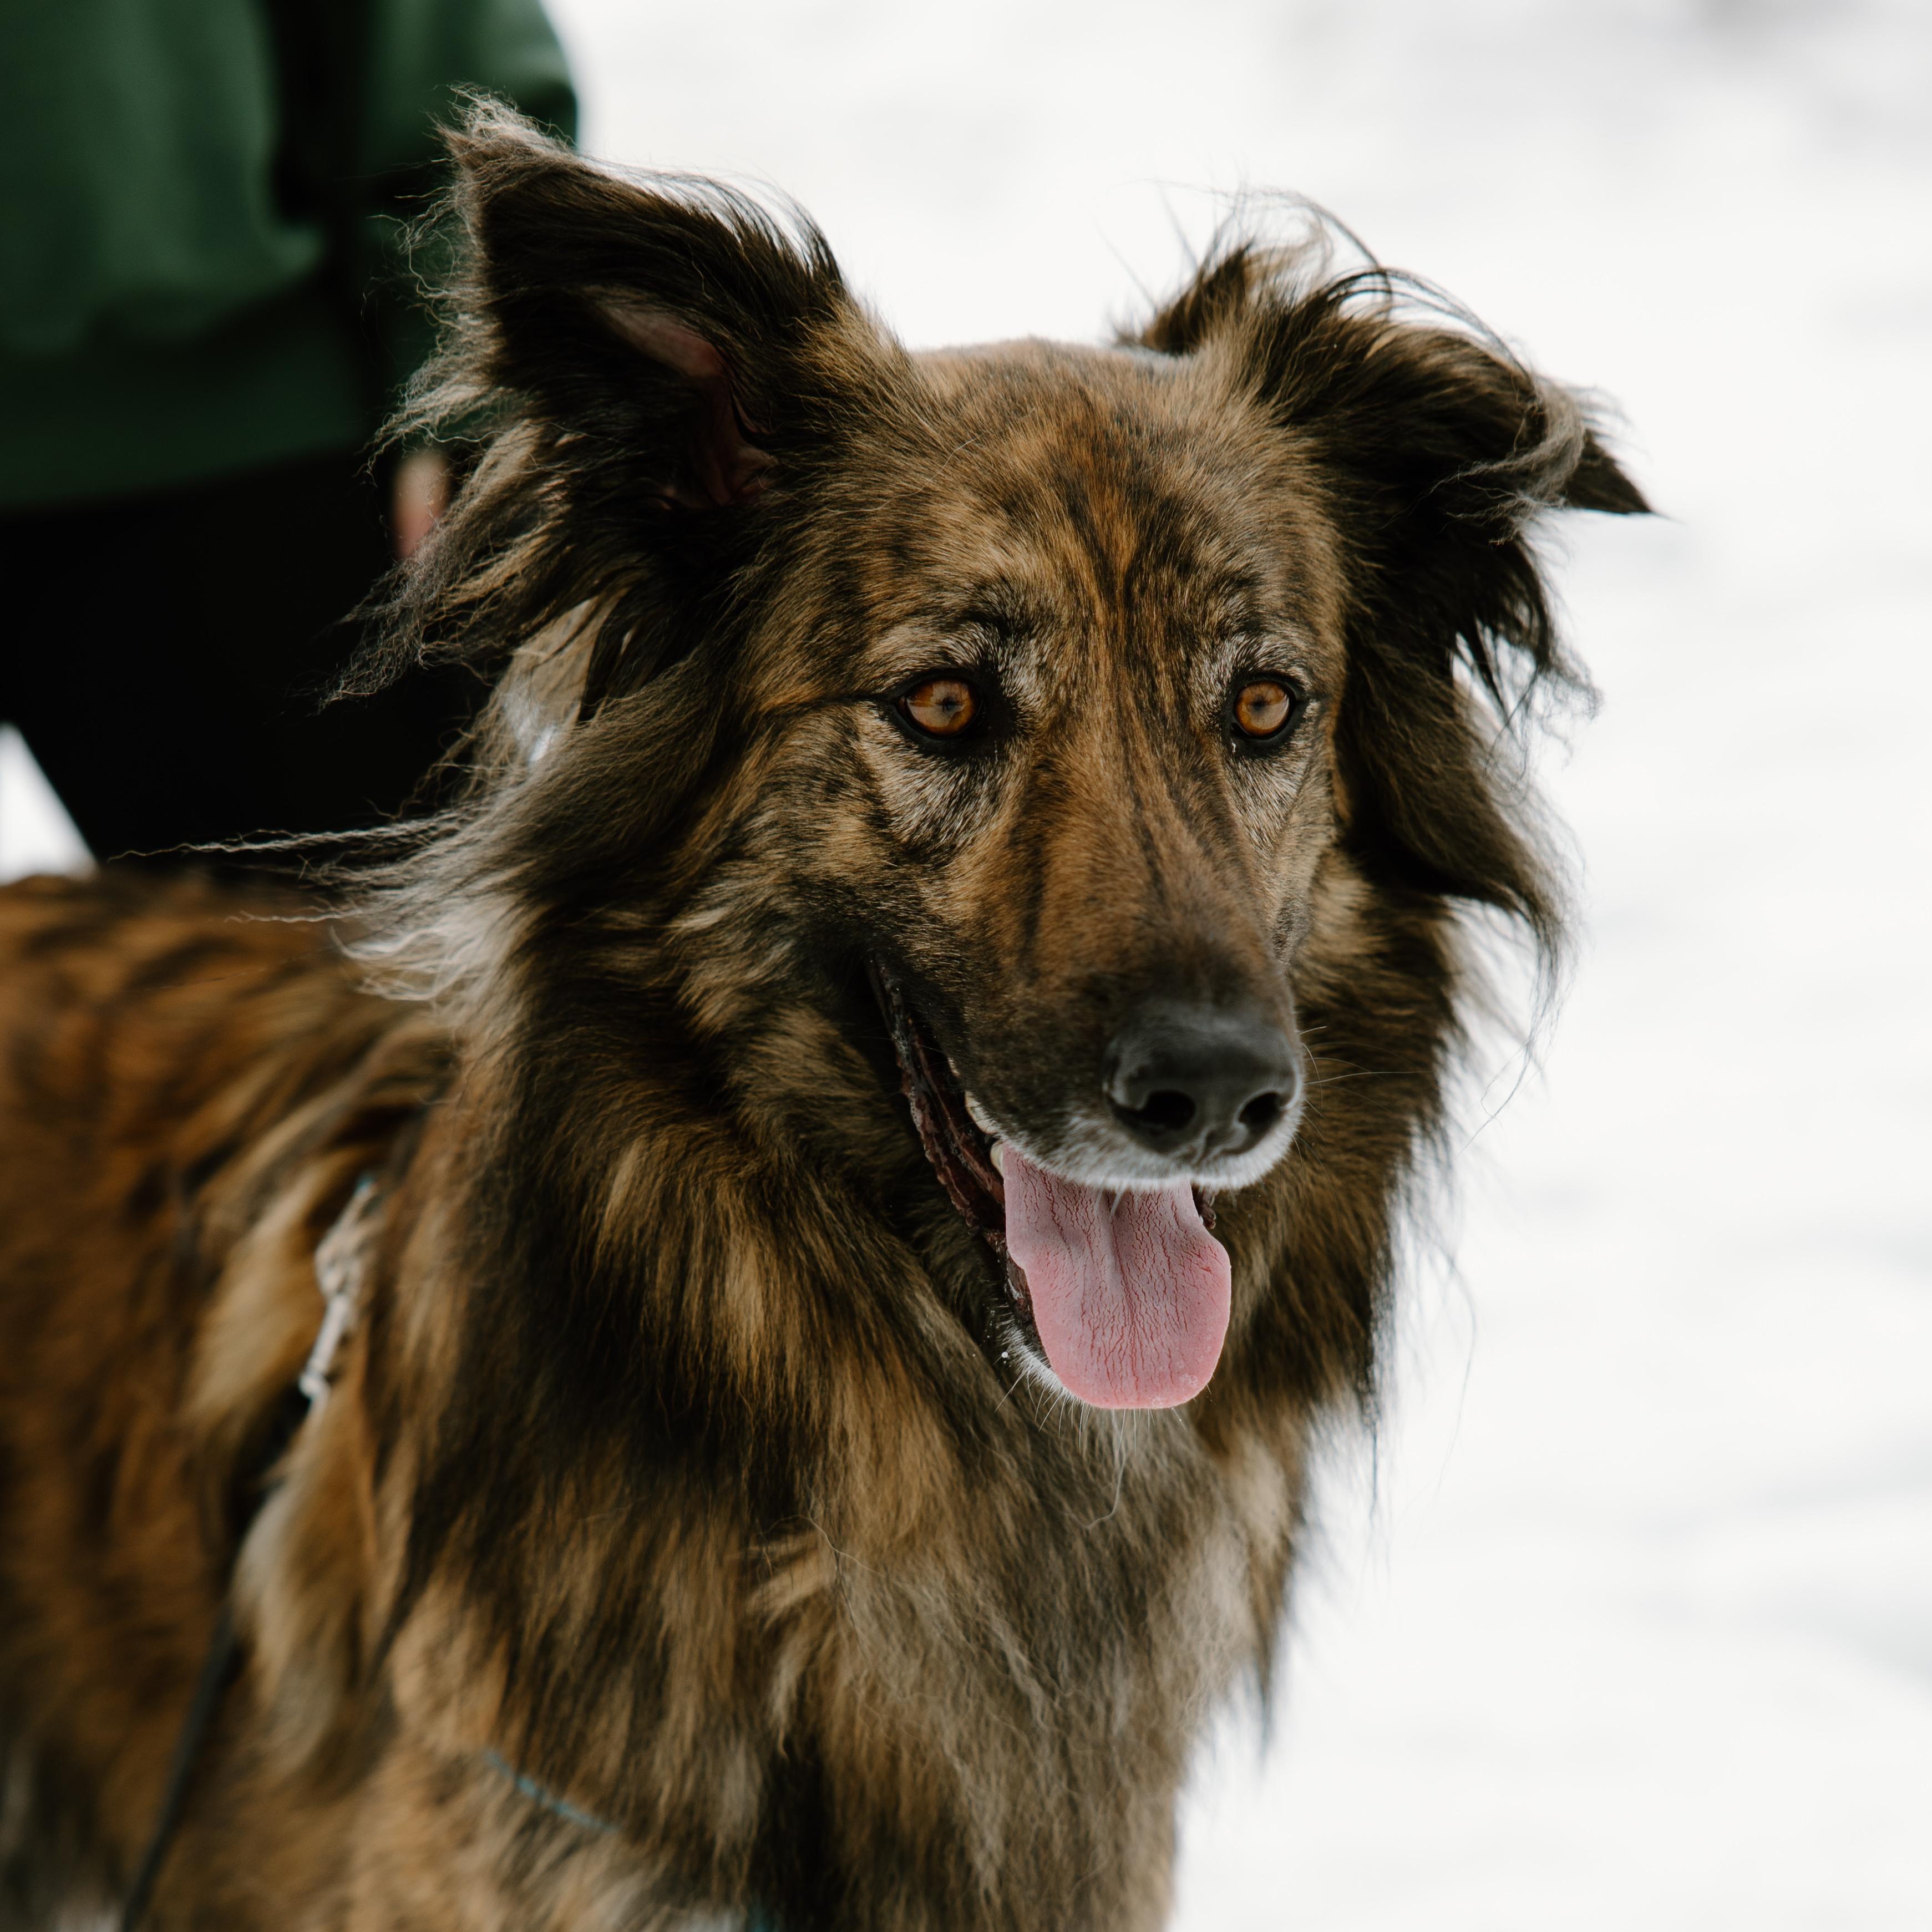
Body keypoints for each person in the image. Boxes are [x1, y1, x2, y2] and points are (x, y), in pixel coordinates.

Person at [0, 0, 576, 864]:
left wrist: (466, 388)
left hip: (253, 452)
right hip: (222, 437)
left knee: (412, 981)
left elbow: (448, 48)